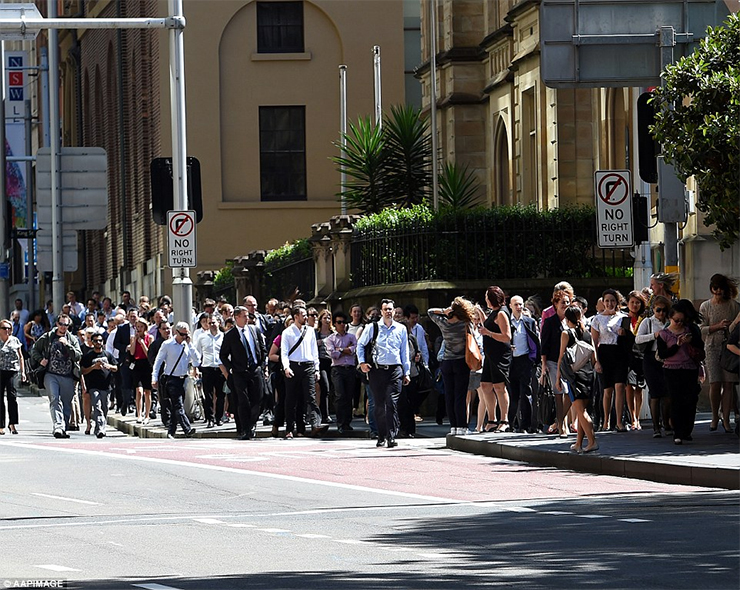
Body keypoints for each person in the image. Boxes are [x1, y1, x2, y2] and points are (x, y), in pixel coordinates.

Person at [357, 299, 410, 448]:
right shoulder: (372, 328)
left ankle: (391, 436)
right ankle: (381, 435)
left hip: (395, 370)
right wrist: (362, 363)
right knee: (379, 405)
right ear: (381, 312)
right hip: (377, 370)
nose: (388, 311)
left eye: (390, 309)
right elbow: (360, 345)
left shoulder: (401, 329)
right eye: (385, 309)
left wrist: (406, 372)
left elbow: (404, 351)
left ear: (394, 311)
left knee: (392, 402)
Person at [657, 300, 705, 444]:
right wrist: (677, 345)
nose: (679, 323)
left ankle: (687, 430)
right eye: (676, 320)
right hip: (671, 370)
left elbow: (700, 348)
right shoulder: (664, 334)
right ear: (670, 318)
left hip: (689, 368)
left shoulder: (690, 330)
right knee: (676, 400)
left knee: (690, 400)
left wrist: (690, 342)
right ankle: (677, 432)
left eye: (681, 321)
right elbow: (663, 354)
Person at [428, 297, 477, 435]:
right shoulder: (465, 323)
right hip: (461, 362)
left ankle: (453, 427)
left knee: (449, 395)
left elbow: (430, 312)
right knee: (460, 395)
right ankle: (462, 427)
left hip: (446, 362)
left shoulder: (443, 322)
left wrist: (444, 311)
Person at [699, 274, 740, 433]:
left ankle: (727, 417)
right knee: (715, 383)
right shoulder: (705, 306)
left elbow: (736, 330)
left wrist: (733, 323)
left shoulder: (734, 306)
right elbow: (701, 328)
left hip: (729, 347)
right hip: (711, 346)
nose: (718, 292)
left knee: (729, 384)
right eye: (715, 289)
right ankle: (715, 415)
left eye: (721, 289)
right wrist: (717, 326)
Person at [30, 314, 83, 438]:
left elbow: (78, 356)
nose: (63, 327)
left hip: (68, 375)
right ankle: (58, 426)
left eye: (66, 325)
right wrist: (40, 360)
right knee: (54, 399)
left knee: (66, 403)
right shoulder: (48, 337)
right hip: (51, 374)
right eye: (61, 324)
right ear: (57, 324)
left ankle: (64, 427)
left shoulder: (72, 339)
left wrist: (67, 345)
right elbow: (34, 350)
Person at [219, 306, 267, 440]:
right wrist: (230, 369)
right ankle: (246, 429)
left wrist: (262, 365)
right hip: (239, 372)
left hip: (255, 370)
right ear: (237, 317)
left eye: (248, 316)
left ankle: (252, 423)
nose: (247, 318)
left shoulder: (254, 330)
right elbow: (223, 355)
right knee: (243, 401)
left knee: (258, 399)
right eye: (244, 316)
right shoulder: (230, 335)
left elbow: (262, 349)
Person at [556, 305, 597, 453]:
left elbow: (561, 356)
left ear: (567, 319)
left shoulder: (566, 334)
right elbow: (594, 357)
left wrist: (558, 378)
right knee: (582, 410)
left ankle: (592, 441)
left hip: (574, 376)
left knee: (581, 411)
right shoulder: (587, 334)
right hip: (588, 374)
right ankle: (578, 443)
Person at [280, 306, 326, 439]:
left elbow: (314, 351)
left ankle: (315, 424)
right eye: (303, 315)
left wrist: (316, 368)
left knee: (310, 396)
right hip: (293, 366)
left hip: (308, 366)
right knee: (291, 399)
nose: (306, 317)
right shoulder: (287, 332)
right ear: (296, 316)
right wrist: (286, 367)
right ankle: (289, 428)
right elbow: (284, 352)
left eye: (307, 315)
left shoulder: (310, 331)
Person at [151, 321, 201, 439]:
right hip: (171, 379)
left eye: (186, 335)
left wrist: (190, 344)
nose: (184, 337)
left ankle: (171, 431)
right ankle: (187, 428)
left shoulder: (187, 345)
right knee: (178, 405)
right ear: (176, 333)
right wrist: (154, 377)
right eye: (182, 335)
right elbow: (158, 362)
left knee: (176, 406)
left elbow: (197, 360)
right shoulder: (167, 344)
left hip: (183, 379)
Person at [591, 289, 629, 432]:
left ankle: (619, 421)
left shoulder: (623, 317)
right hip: (604, 353)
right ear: (603, 302)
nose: (609, 303)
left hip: (619, 352)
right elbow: (594, 342)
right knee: (607, 390)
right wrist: (596, 361)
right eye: (607, 301)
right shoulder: (597, 319)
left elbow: (630, 337)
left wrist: (624, 333)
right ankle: (605, 420)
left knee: (620, 387)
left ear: (617, 302)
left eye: (612, 300)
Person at [636, 295, 672, 437]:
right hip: (651, 359)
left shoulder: (670, 323)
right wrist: (654, 335)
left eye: (664, 310)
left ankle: (666, 423)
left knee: (667, 394)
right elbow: (638, 339)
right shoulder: (648, 322)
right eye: (658, 310)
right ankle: (656, 426)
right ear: (653, 310)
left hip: (666, 359)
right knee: (655, 394)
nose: (661, 313)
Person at [508, 295, 540, 433]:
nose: (519, 307)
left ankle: (525, 425)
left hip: (525, 360)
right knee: (512, 394)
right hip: (510, 361)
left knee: (526, 393)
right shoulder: (506, 322)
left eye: (521, 304)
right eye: (516, 304)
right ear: (510, 306)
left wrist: (533, 359)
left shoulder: (529, 321)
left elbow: (535, 340)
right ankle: (511, 423)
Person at [325, 310, 357, 434]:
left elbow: (354, 349)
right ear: (335, 324)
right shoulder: (330, 339)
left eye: (344, 322)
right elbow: (333, 354)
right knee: (340, 396)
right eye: (339, 322)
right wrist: (346, 350)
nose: (342, 324)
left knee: (349, 396)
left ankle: (347, 422)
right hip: (337, 369)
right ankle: (340, 422)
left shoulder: (351, 337)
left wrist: (341, 349)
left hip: (350, 368)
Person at [80, 333, 118, 438]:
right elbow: (82, 370)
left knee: (104, 408)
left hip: (106, 386)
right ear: (92, 342)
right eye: (96, 341)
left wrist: (108, 366)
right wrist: (93, 367)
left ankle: (99, 426)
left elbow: (116, 368)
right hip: (93, 386)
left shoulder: (108, 355)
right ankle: (101, 428)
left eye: (100, 340)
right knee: (97, 406)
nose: (98, 342)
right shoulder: (88, 356)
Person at [195, 314, 226, 428]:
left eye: (214, 322)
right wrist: (196, 368)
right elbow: (197, 354)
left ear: (219, 322)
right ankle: (210, 419)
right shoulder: (202, 337)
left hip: (220, 369)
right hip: (207, 368)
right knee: (208, 395)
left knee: (221, 395)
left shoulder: (224, 337)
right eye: (209, 323)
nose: (212, 325)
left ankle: (219, 417)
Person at [624, 291, 648, 430]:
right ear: (627, 303)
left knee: (639, 388)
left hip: (641, 356)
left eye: (637, 302)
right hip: (628, 357)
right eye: (632, 302)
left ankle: (638, 417)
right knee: (630, 387)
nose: (634, 305)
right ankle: (632, 418)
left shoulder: (645, 319)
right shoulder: (623, 319)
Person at [0, 319, 25, 435]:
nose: (7, 330)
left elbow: (21, 357)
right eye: (4, 328)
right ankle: (1, 425)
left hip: (12, 371)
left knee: (12, 397)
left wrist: (23, 372)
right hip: (0, 371)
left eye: (9, 328)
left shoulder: (15, 340)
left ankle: (12, 424)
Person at [128, 317, 153, 424]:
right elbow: (132, 353)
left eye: (141, 327)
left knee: (147, 391)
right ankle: (139, 414)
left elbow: (149, 354)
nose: (139, 329)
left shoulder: (149, 338)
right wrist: (134, 341)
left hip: (147, 365)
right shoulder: (133, 338)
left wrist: (142, 343)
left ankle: (147, 415)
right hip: (137, 365)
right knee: (139, 390)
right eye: (137, 327)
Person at [315, 309, 334, 424]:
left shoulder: (333, 333)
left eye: (329, 318)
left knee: (332, 388)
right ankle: (324, 415)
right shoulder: (315, 332)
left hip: (332, 361)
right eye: (325, 318)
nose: (327, 320)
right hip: (321, 361)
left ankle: (329, 413)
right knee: (324, 387)